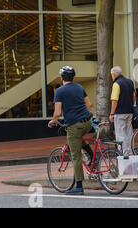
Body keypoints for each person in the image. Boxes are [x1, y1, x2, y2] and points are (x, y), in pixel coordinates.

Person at [48, 66, 93, 195]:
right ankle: (93, 157)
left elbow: (57, 113)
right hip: (88, 122)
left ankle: (79, 186)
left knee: (76, 156)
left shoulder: (60, 91)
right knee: (79, 137)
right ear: (73, 77)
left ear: (62, 78)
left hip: (74, 124)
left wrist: (53, 121)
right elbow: (88, 105)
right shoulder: (79, 87)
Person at [109, 66, 136, 156]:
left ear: (114, 74)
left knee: (121, 134)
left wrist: (112, 113)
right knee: (129, 133)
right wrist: (131, 105)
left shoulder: (116, 84)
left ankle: (123, 155)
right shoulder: (130, 82)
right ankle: (130, 152)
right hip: (130, 111)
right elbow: (134, 97)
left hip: (120, 112)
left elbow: (114, 100)